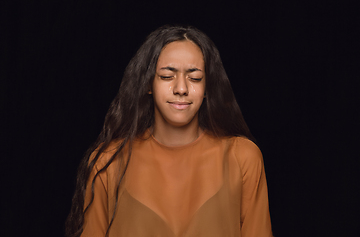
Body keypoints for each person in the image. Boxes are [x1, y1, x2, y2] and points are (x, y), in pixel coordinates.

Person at [66, 25, 273, 237]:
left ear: (208, 88)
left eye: (195, 78)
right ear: (148, 83)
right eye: (167, 76)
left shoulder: (242, 158)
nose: (181, 88)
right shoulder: (109, 162)